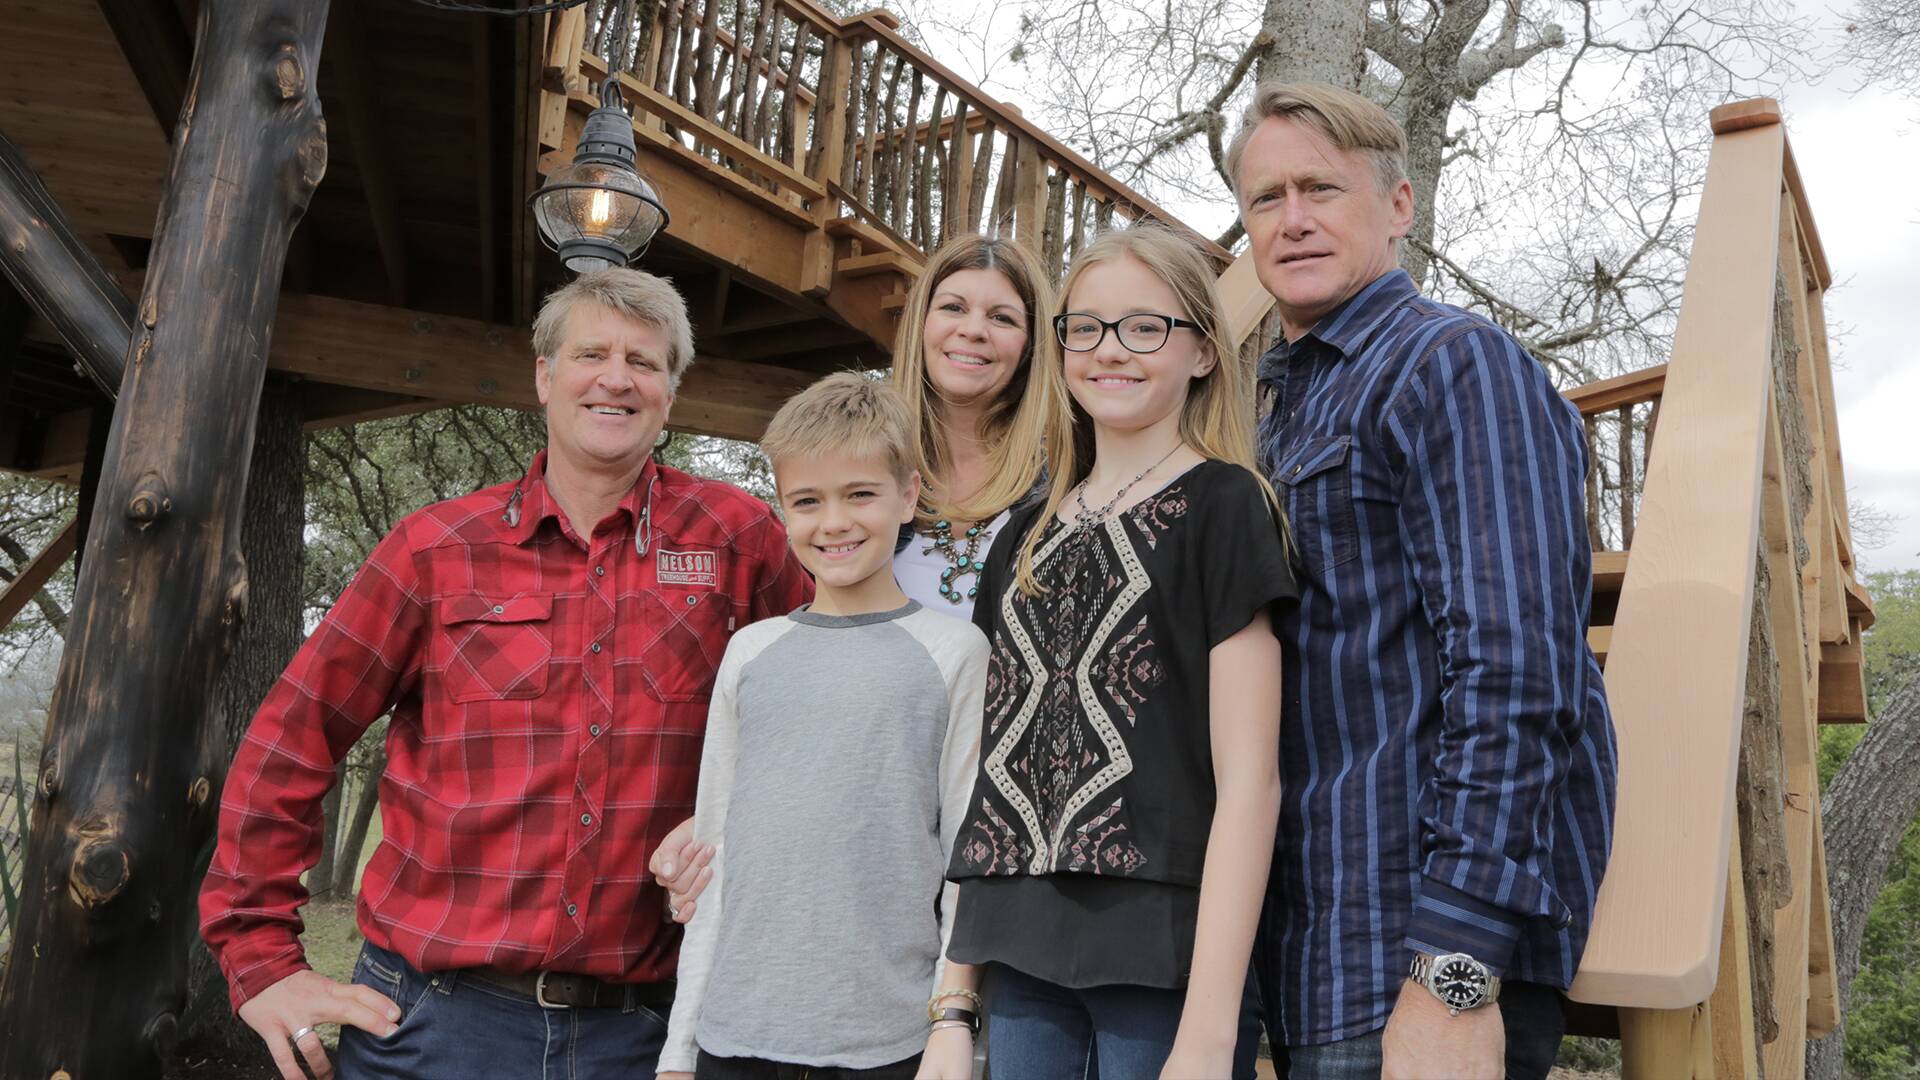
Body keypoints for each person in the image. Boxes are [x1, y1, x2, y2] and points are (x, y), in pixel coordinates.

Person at [197, 268, 813, 1080]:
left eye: (645, 361)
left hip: (656, 1030)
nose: (616, 378)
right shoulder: (434, 549)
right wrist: (261, 959)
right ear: (544, 376)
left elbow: (819, 728)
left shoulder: (744, 542)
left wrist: (731, 827)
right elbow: (293, 737)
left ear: (671, 392)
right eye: (591, 352)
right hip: (433, 1026)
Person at [1225, 81, 1618, 1080]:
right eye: (1266, 198)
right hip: (1311, 954)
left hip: (1417, 957)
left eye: (1322, 187)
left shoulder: (1454, 365)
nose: (1294, 218)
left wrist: (1457, 965)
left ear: (1399, 207)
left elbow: (1518, 669)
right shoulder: (1279, 412)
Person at [944, 224, 1297, 1080]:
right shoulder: (1022, 537)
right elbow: (992, 778)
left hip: (1166, 958)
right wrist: (952, 1010)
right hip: (1020, 955)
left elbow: (1253, 781)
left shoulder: (1226, 505)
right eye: (1088, 326)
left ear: (1204, 352)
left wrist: (1213, 1032)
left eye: (1146, 327)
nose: (1112, 350)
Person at [651, 234, 1056, 920]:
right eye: (952, 306)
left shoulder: (1062, 489)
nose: (972, 331)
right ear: (922, 321)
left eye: (1002, 317)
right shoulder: (858, 474)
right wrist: (724, 819)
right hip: (873, 823)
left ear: (1030, 344)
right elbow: (810, 673)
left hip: (1008, 820)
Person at [657, 373, 987, 1080]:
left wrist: (953, 1026)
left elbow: (967, 858)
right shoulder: (751, 653)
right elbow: (715, 852)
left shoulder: (954, 652)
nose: (833, 522)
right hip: (733, 1038)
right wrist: (679, 1052)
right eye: (808, 501)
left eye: (859, 494)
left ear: (908, 494)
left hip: (888, 1044)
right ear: (783, 510)